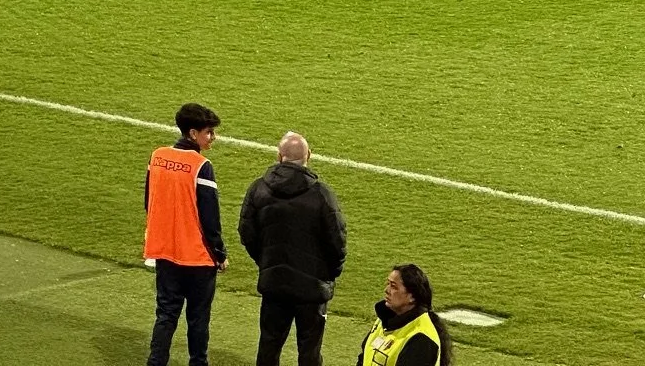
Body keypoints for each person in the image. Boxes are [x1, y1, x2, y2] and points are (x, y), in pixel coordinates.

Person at [239, 132, 346, 366]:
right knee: (309, 352)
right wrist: (330, 273)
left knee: (268, 346)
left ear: (279, 156)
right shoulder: (321, 195)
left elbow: (247, 233)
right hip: (312, 289)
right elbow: (337, 242)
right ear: (309, 156)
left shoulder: (259, 189)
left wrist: (266, 261)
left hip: (274, 283)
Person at [144, 101, 227, 366]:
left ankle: (156, 362)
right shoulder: (201, 165)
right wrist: (220, 254)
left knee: (166, 314)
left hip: (165, 252)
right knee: (198, 318)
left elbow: (149, 201)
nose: (212, 137)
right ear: (192, 133)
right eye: (208, 132)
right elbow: (210, 218)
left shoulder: (157, 156)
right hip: (197, 257)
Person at [357, 265, 450, 366]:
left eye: (393, 286)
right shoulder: (384, 319)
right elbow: (364, 356)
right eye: (388, 283)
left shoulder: (421, 340)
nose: (387, 290)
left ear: (412, 297)